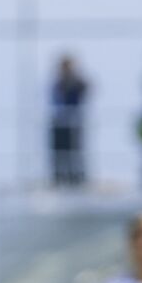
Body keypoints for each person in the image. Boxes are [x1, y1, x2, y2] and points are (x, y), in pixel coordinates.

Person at [50, 55, 89, 188]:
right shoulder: (57, 83)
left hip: (73, 121)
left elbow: (84, 90)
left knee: (74, 151)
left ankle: (77, 179)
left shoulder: (77, 82)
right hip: (59, 121)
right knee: (59, 151)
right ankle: (59, 178)